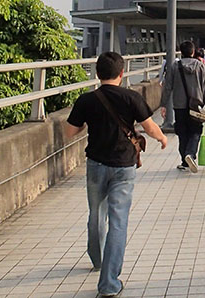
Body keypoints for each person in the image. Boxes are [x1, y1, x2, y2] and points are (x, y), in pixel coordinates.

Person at [65, 51, 168, 298]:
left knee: (96, 214)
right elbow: (149, 126)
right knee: (118, 221)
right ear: (121, 73)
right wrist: (162, 138)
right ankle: (109, 283)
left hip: (96, 164)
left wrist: (87, 124)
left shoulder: (86, 100)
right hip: (123, 166)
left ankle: (98, 260)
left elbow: (69, 132)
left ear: (97, 74)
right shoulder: (131, 97)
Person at [159, 40, 205, 173]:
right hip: (197, 105)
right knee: (195, 131)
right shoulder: (200, 66)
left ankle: (184, 161)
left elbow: (167, 86)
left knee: (182, 132)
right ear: (193, 52)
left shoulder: (175, 66)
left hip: (179, 105)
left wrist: (164, 104)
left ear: (181, 52)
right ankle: (190, 154)